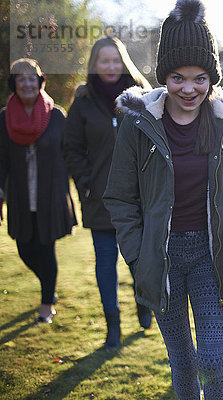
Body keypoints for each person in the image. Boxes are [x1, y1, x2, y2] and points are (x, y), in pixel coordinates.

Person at [102, 0, 223, 398]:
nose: (189, 89)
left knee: (212, 358)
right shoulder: (138, 125)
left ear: (212, 77)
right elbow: (120, 199)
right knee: (182, 361)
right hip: (160, 258)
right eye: (177, 78)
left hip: (213, 257)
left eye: (199, 78)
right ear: (163, 77)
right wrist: (138, 254)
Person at [63, 36, 153, 349]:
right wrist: (85, 181)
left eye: (116, 60)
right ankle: (112, 325)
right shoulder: (84, 100)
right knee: (105, 264)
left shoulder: (141, 96)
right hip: (98, 198)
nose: (111, 66)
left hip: (137, 199)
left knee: (138, 260)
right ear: (95, 64)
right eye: (104, 60)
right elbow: (71, 147)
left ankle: (143, 302)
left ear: (124, 62)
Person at [0, 58, 77, 323]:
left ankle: (46, 304)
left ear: (40, 81)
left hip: (51, 194)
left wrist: (78, 186)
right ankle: (48, 284)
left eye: (32, 78)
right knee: (24, 248)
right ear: (14, 84)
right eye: (21, 79)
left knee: (46, 248)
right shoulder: (4, 117)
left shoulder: (56, 115)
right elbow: (1, 159)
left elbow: (70, 154)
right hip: (20, 196)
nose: (27, 83)